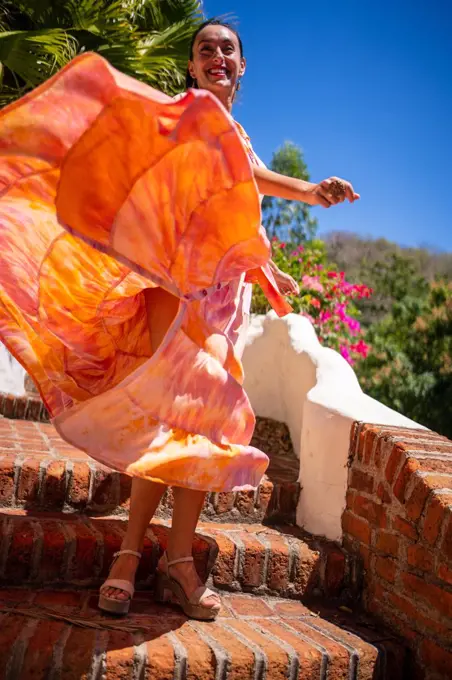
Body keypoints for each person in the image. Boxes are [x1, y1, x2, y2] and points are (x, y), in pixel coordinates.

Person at [0, 19, 359, 622]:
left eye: (227, 49)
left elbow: (252, 198)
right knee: (184, 414)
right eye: (205, 49)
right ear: (192, 67)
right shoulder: (180, 116)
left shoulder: (235, 136)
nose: (216, 56)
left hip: (226, 301)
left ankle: (165, 560)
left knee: (199, 427)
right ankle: (145, 555)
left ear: (242, 67)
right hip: (177, 295)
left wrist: (305, 207)